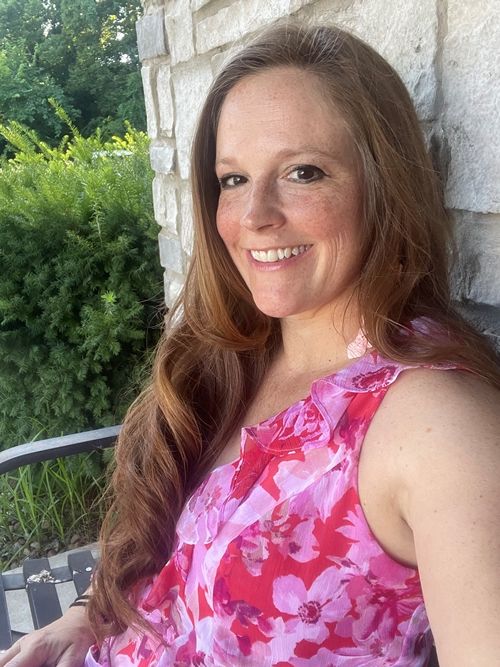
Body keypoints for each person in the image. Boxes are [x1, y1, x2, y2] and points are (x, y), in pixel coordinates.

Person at [2, 20, 500, 667]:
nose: (255, 215)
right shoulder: (232, 353)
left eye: (302, 171)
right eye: (233, 179)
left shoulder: (438, 424)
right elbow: (167, 554)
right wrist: (85, 618)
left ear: (383, 187)